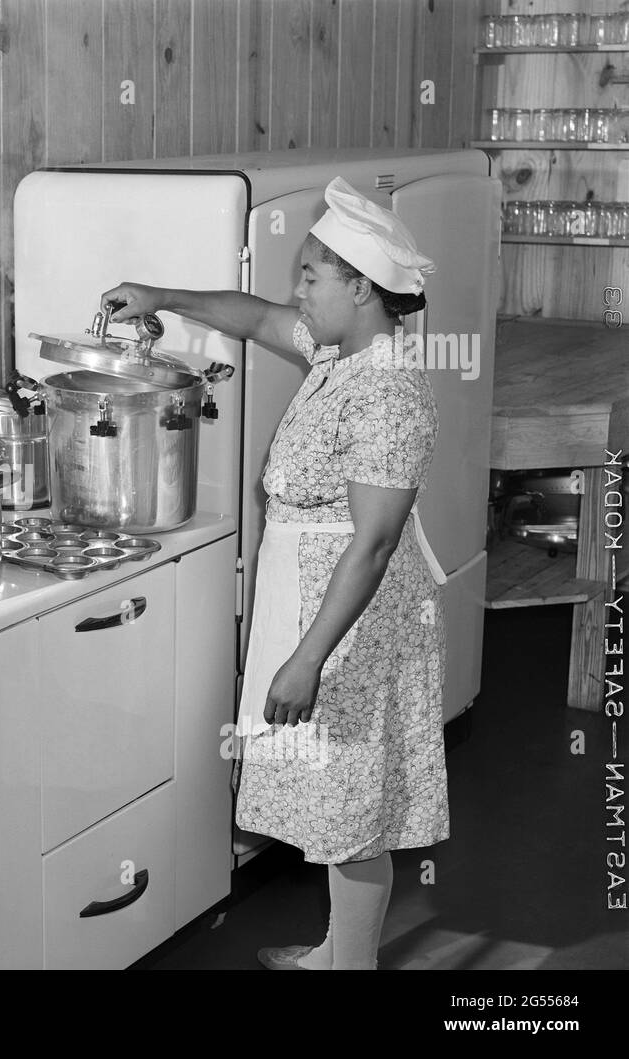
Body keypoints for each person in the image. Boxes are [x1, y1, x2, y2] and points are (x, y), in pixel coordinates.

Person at [102, 176, 447, 971]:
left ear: (363, 289)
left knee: (352, 804)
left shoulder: (387, 388)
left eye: (313, 277)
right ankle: (338, 951)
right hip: (312, 600)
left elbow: (375, 542)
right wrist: (158, 293)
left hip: (348, 625)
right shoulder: (342, 351)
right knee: (335, 801)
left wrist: (306, 659)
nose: (297, 292)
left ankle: (348, 967)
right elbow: (254, 316)